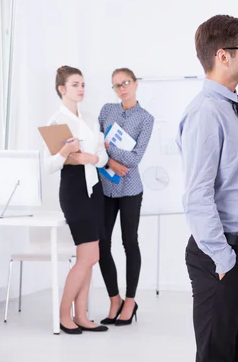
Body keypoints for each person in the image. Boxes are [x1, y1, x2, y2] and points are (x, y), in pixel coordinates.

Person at [176, 14, 238, 362]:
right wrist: (223, 258)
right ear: (222, 56)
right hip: (224, 258)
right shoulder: (206, 113)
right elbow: (197, 194)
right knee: (217, 355)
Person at [43, 65, 109, 334]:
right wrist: (66, 152)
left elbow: (103, 158)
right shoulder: (56, 122)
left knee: (91, 258)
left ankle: (81, 314)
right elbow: (49, 166)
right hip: (73, 190)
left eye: (83, 84)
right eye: (75, 85)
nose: (81, 89)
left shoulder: (91, 118)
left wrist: (91, 157)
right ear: (62, 89)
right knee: (87, 256)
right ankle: (63, 314)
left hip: (95, 189)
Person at [97, 68, 154, 326]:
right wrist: (109, 159)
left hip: (131, 189)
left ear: (136, 84)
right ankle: (114, 299)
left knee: (129, 242)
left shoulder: (146, 118)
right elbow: (95, 147)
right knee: (101, 245)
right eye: (117, 85)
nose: (122, 88)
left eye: (126, 83)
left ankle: (130, 301)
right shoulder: (106, 111)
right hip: (106, 185)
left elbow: (135, 158)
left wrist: (111, 149)